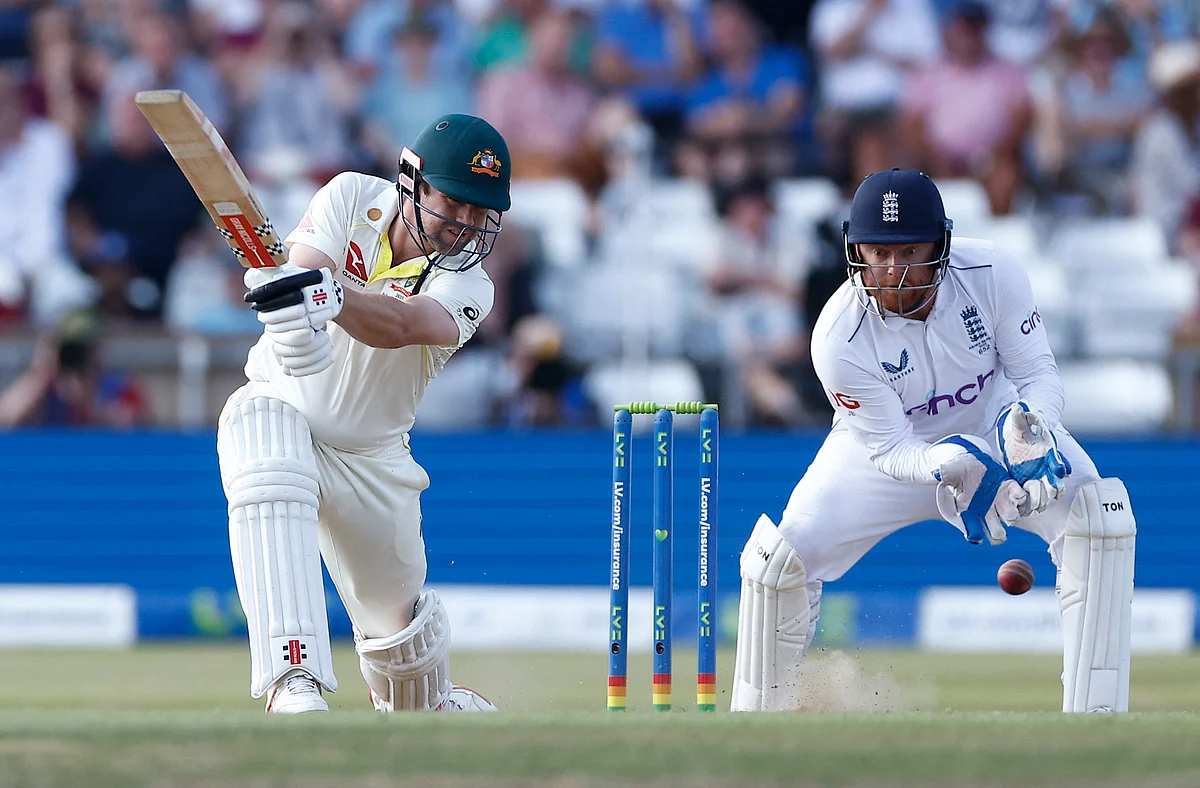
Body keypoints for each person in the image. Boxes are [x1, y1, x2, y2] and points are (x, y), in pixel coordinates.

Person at [730, 168, 1138, 714]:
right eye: (878, 253)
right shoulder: (837, 335)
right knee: (782, 561)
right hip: (884, 450)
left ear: (940, 247)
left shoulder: (992, 273)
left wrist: (1031, 430)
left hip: (997, 425)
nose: (892, 271)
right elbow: (890, 449)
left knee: (1098, 521)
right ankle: (757, 724)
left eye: (909, 252)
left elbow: (1039, 374)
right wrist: (947, 463)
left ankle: (1097, 722)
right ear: (856, 250)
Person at [216, 114, 509, 714]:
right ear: (412, 180)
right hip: (282, 404)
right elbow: (302, 268)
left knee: (410, 694)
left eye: (481, 212)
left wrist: (329, 294)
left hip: (373, 459)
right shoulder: (350, 195)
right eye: (453, 202)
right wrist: (295, 305)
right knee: (265, 444)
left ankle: (440, 708)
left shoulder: (473, 286)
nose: (465, 224)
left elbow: (402, 324)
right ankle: (293, 677)